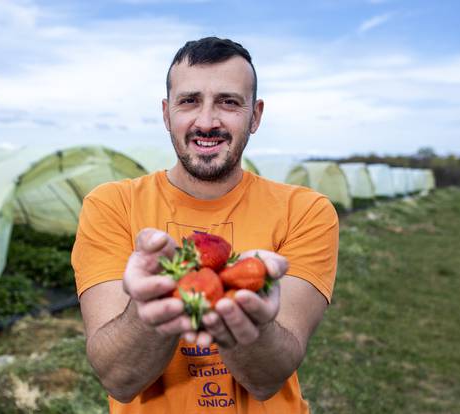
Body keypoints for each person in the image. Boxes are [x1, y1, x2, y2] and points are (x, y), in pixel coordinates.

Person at [72, 36, 339, 413]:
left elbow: (266, 379)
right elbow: (119, 378)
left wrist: (253, 322)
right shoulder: (111, 205)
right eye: (189, 101)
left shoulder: (306, 211)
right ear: (167, 114)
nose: (207, 122)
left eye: (229, 102)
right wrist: (152, 306)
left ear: (256, 116)